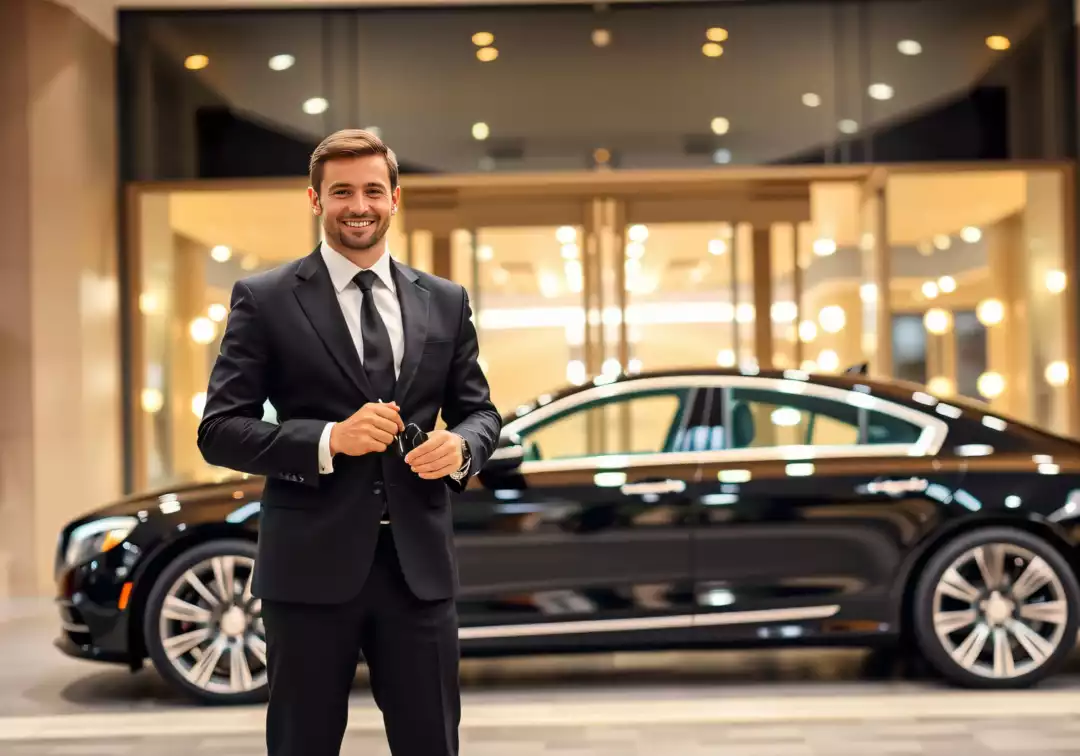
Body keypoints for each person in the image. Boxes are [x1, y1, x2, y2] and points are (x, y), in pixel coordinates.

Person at [196, 128, 502, 756]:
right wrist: (330, 439)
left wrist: (464, 448)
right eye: (341, 191)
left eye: (371, 190)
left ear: (394, 198)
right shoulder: (265, 298)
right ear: (315, 200)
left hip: (418, 570)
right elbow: (220, 429)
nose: (357, 205)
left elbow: (480, 412)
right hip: (307, 569)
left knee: (432, 744)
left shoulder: (445, 301)